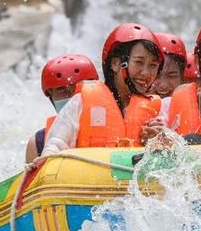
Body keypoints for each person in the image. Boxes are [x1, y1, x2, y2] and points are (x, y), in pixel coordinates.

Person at [26, 23, 166, 171]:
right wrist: (44, 163)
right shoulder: (81, 102)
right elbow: (56, 144)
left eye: (153, 65)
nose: (146, 73)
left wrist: (159, 142)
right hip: (87, 184)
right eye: (139, 62)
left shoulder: (157, 109)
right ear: (115, 64)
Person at [25, 54, 99, 163]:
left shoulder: (114, 127)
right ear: (51, 97)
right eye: (62, 90)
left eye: (78, 88)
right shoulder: (37, 144)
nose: (73, 97)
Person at [149, 32, 187, 98]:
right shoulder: (128, 107)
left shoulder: (197, 106)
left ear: (182, 79)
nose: (163, 85)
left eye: (171, 76)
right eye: (156, 76)